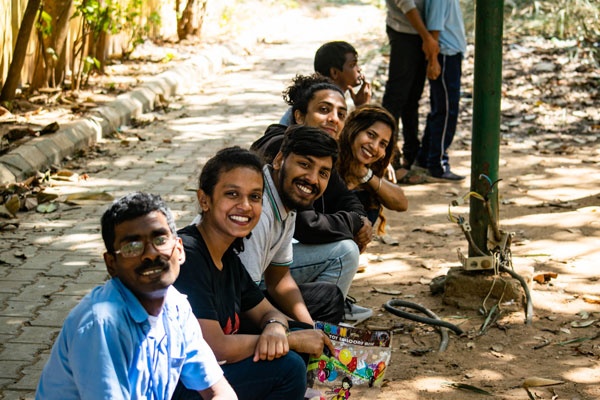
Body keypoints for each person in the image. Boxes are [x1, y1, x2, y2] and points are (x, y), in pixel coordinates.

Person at [36, 192, 236, 400]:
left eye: (160, 239)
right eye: (132, 247)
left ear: (179, 250)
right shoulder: (102, 324)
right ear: (111, 264)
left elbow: (219, 391)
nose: (150, 253)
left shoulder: (176, 307)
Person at [172, 147, 334, 400]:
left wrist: (275, 328)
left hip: (211, 376)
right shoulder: (188, 255)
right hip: (181, 386)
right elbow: (214, 348)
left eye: (255, 196)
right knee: (288, 366)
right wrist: (288, 340)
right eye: (232, 194)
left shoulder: (227, 256)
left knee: (300, 332)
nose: (245, 206)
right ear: (204, 199)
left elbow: (269, 311)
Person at [252, 77, 374, 321]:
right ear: (298, 116)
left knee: (325, 300)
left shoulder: (320, 155)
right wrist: (276, 325)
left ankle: (324, 317)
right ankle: (323, 317)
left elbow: (345, 198)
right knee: (344, 252)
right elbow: (307, 227)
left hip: (266, 271)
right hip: (239, 288)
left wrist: (359, 218)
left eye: (341, 114)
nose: (334, 120)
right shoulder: (282, 149)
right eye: (324, 110)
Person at [382, 0, 440, 184]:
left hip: (421, 35)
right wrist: (427, 38)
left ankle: (410, 155)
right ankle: (388, 160)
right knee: (395, 99)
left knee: (412, 99)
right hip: (404, 32)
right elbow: (405, 3)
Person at [416, 0, 467, 181]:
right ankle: (438, 163)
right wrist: (433, 59)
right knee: (446, 111)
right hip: (445, 54)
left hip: (449, 53)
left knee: (440, 108)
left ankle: (425, 157)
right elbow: (434, 26)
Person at [337, 105, 408, 231]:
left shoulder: (368, 175)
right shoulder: (328, 160)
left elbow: (402, 204)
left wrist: (364, 174)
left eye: (382, 144)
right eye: (370, 135)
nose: (374, 147)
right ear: (354, 129)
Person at [280, 41, 371, 126]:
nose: (359, 69)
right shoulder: (312, 102)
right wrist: (363, 107)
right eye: (352, 65)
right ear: (334, 72)